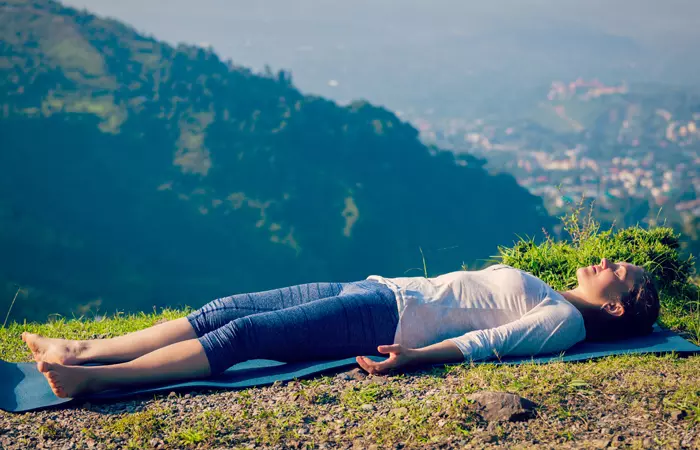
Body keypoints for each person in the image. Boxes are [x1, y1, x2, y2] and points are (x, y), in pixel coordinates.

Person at [21, 258, 659, 399]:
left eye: (618, 272)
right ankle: (82, 348)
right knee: (226, 310)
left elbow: (488, 344)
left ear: (620, 308)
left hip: (387, 319)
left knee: (247, 338)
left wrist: (418, 356)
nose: (606, 261)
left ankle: (93, 379)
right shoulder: (560, 297)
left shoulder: (566, 323)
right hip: (379, 290)